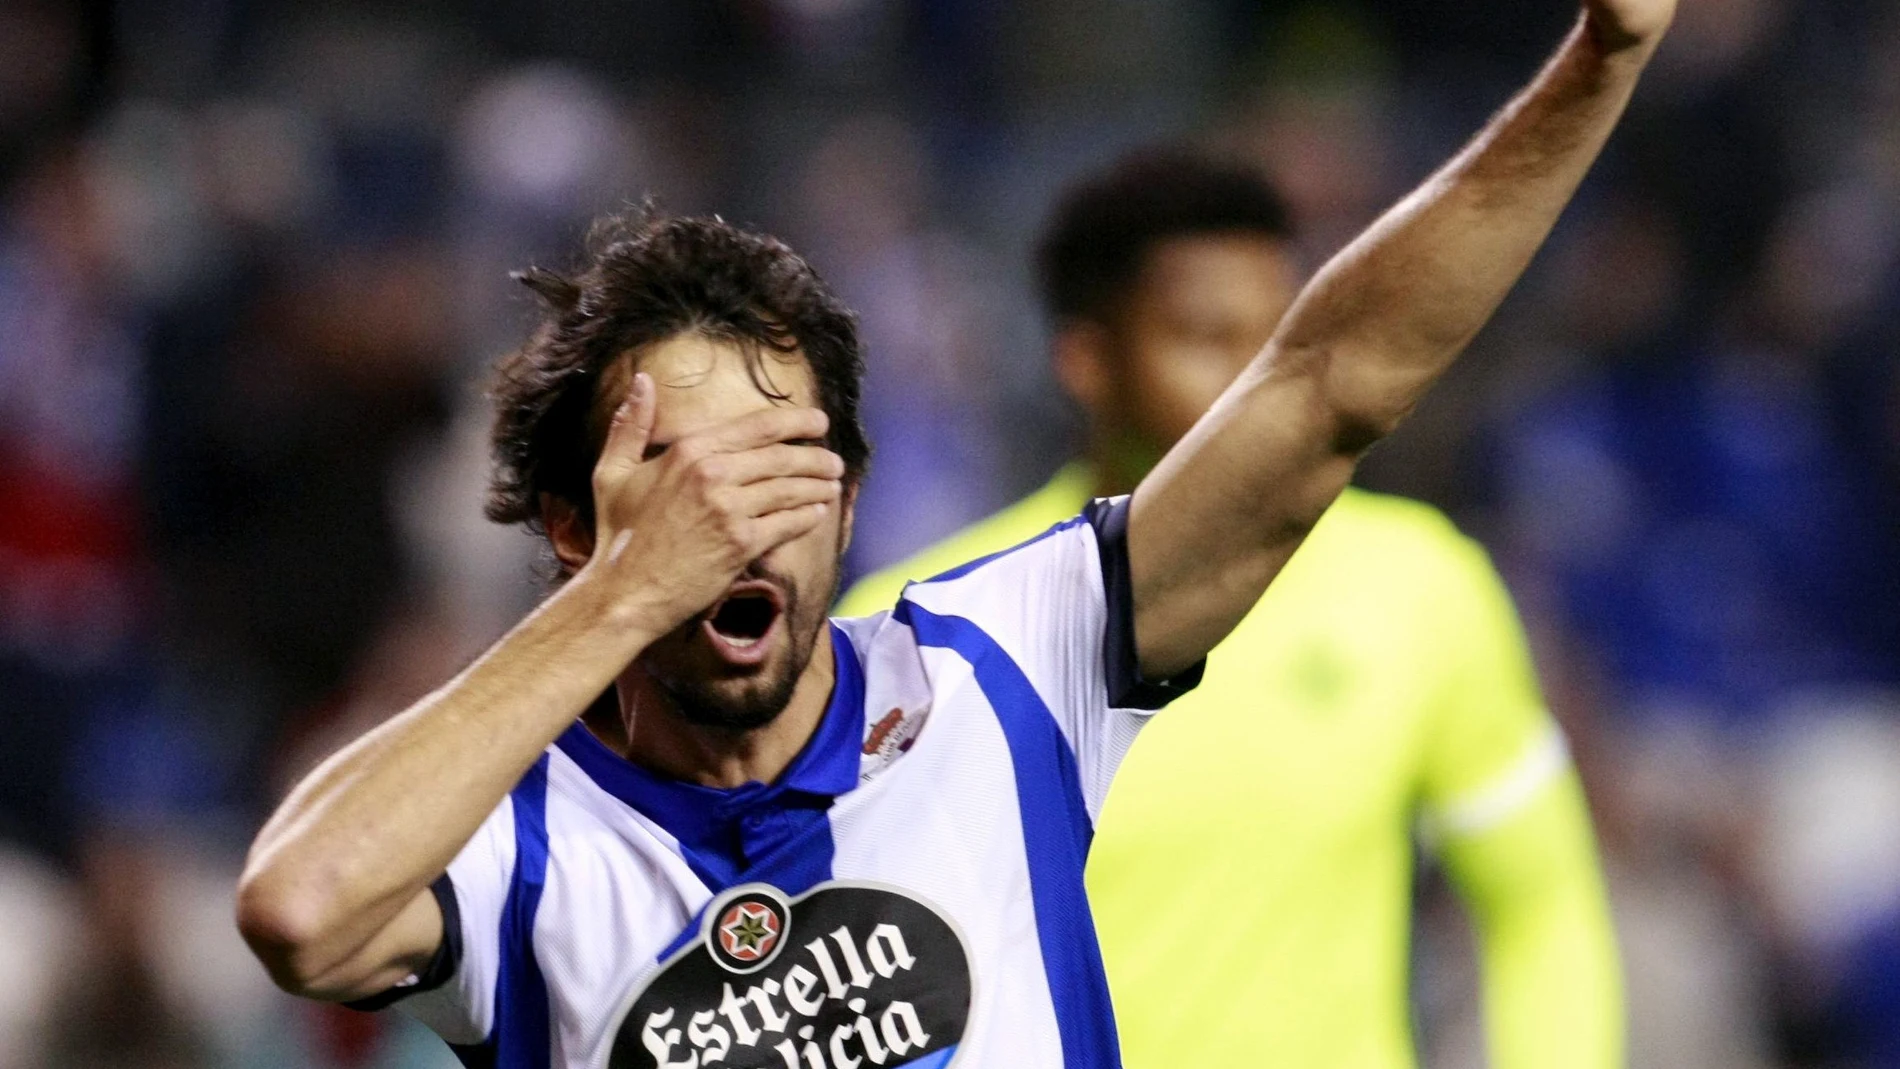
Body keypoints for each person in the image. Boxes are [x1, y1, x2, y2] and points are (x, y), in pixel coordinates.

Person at [234, 3, 1674, 1065]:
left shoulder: (999, 664)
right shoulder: (529, 843)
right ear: (572, 524)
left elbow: (1325, 385)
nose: (734, 521)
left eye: (781, 463)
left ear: (853, 496)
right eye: (676, 477)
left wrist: (1601, 55)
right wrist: (618, 600)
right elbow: (301, 908)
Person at [838, 149, 1624, 1068]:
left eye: (1281, 340)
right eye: (1208, 337)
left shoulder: (1418, 584)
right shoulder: (924, 622)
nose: (1263, 382)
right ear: (1086, 359)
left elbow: (1541, 900)